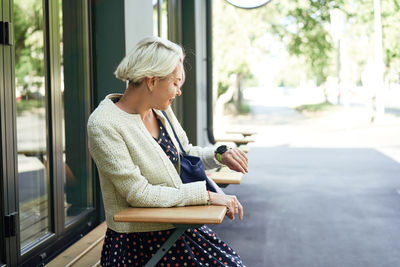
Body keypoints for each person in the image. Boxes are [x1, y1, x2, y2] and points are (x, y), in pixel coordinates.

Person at [87, 36, 248, 266]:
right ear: (152, 81)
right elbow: (138, 193)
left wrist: (221, 153)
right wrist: (208, 196)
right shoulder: (104, 124)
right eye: (175, 83)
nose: (178, 92)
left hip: (176, 228)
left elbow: (186, 153)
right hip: (140, 242)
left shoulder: (160, 111)